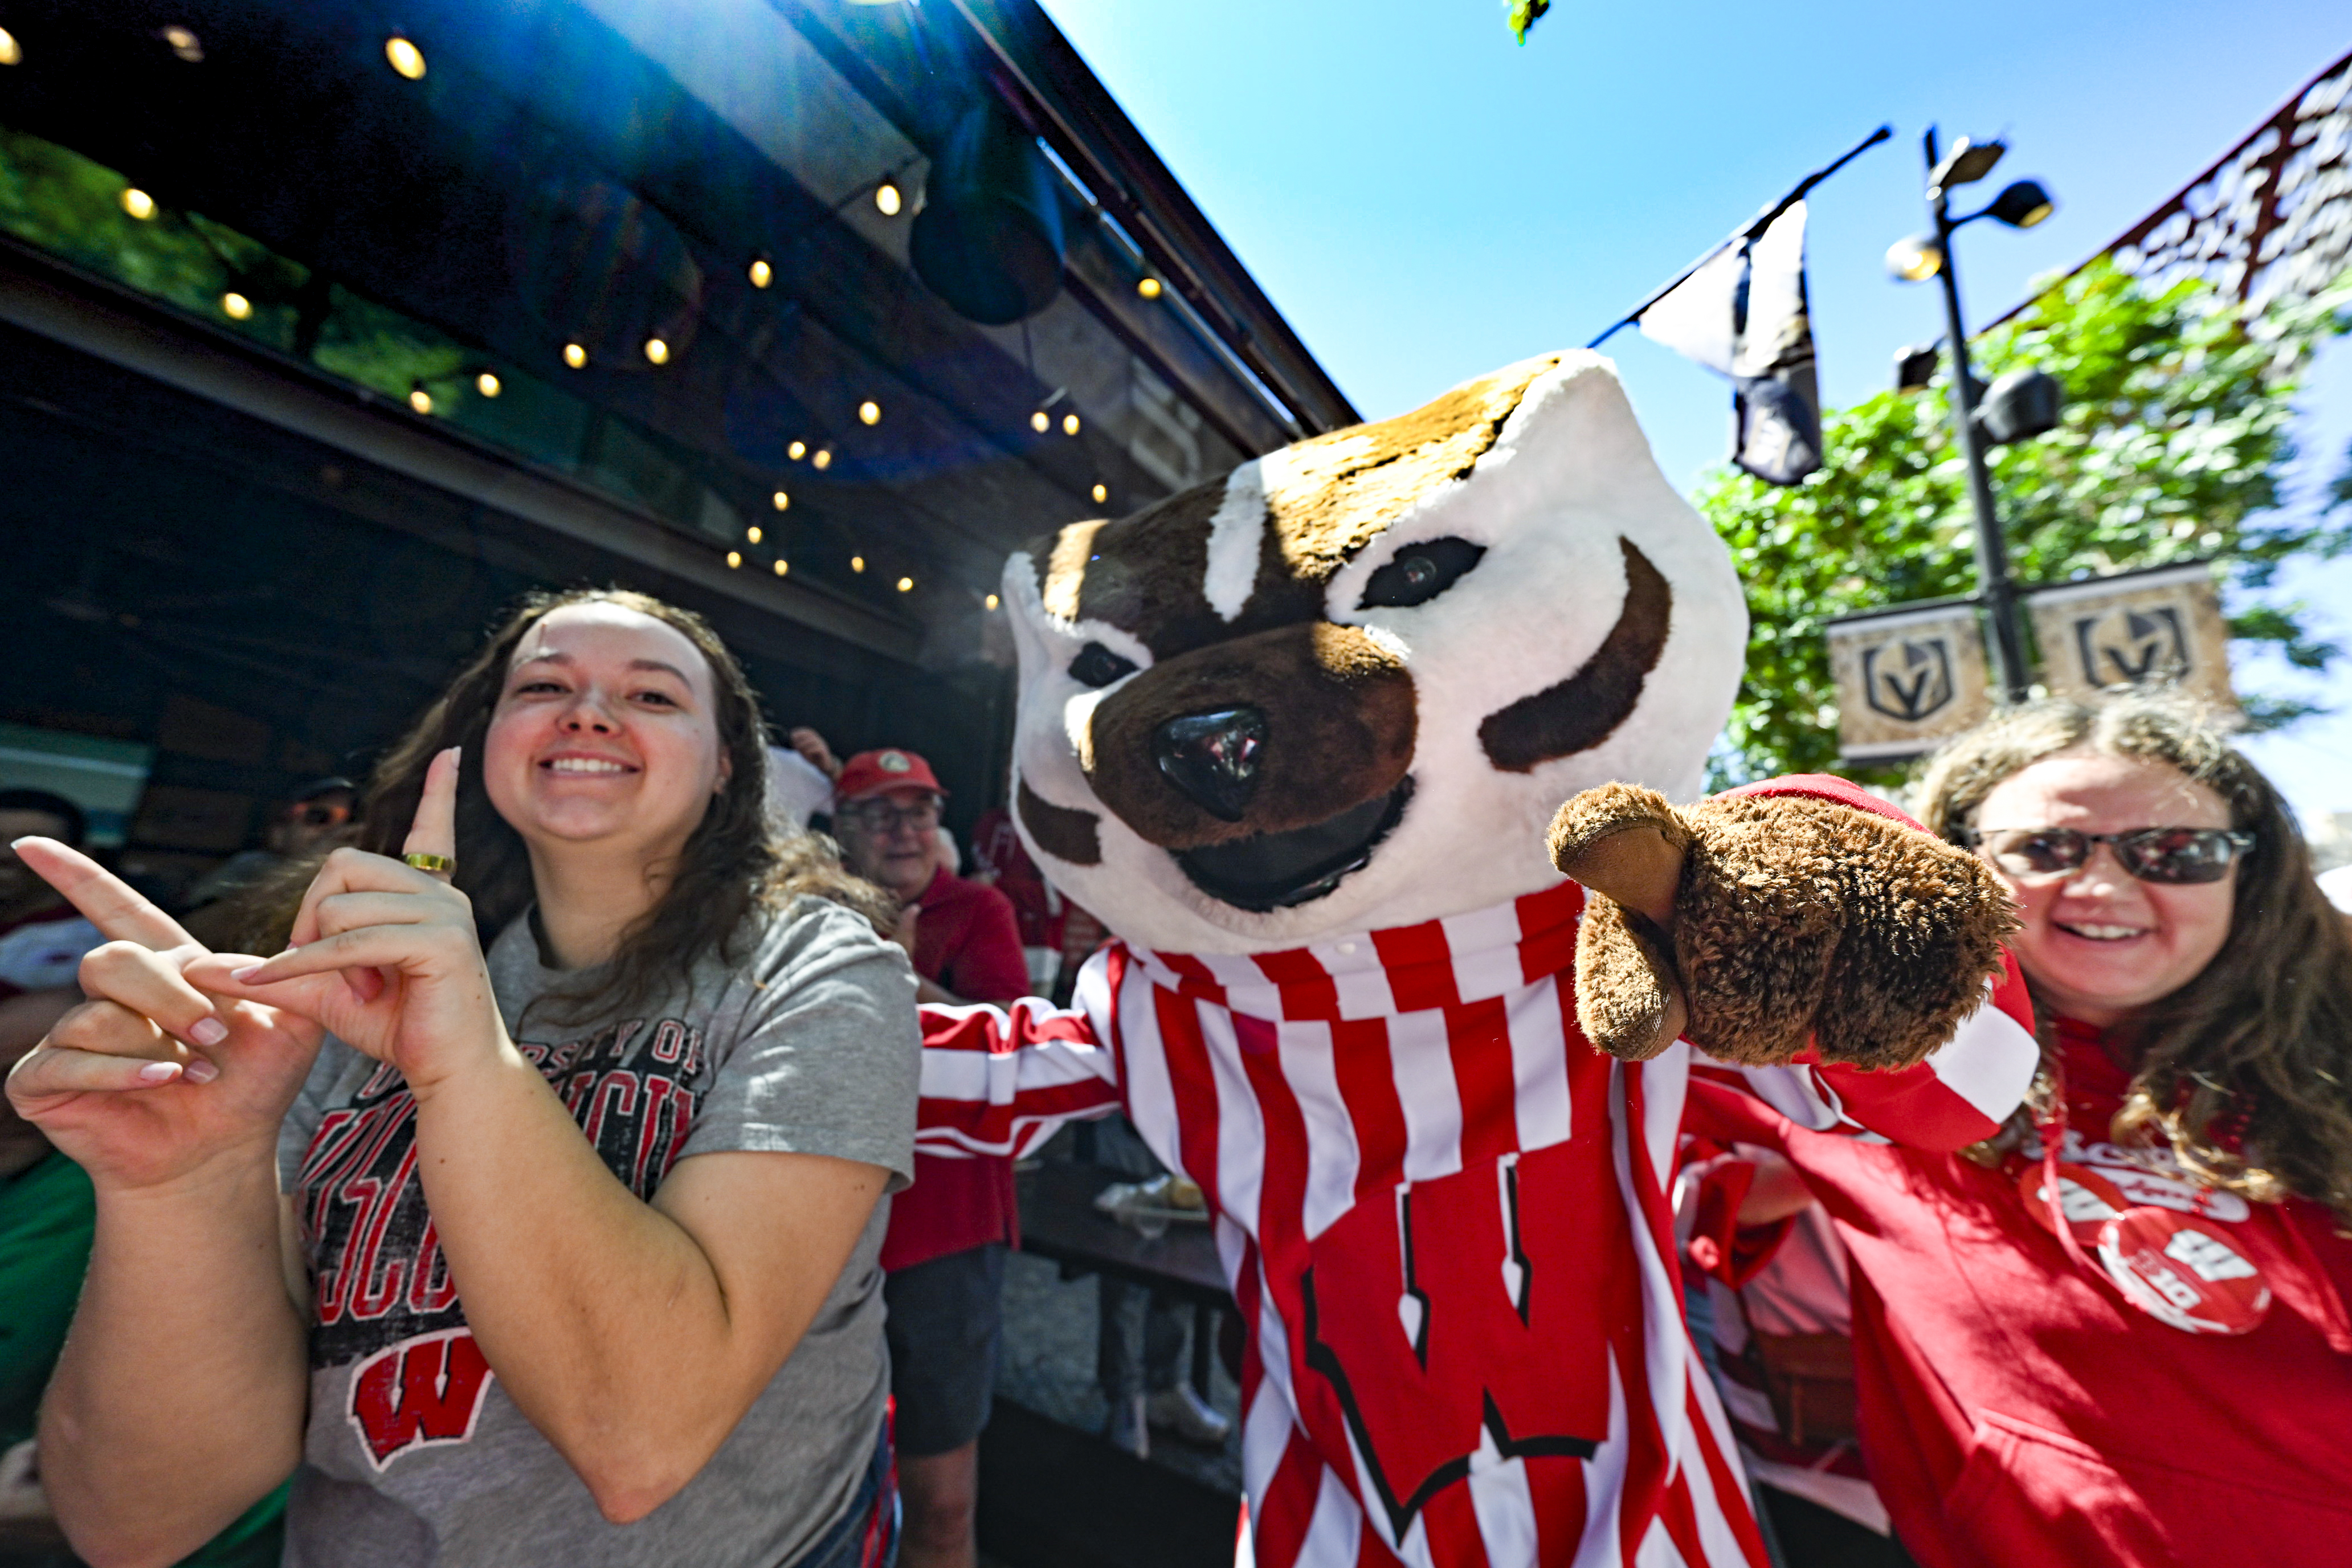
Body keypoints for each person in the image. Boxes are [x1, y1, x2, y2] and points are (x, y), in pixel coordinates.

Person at [5, 589, 918, 1568]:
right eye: (545, 685)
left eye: (652, 697)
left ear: (727, 768)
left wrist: (465, 1059)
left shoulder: (822, 971)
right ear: (488, 744)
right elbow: (134, 1525)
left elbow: (640, 1442)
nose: (589, 712)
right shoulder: (348, 989)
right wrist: (189, 1179)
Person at [1685, 693, 2352, 1566]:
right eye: (2044, 849)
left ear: (2249, 875)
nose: (2106, 886)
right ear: (1958, 867)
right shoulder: (1859, 1074)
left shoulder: (2331, 1065)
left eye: (2176, 852)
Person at [825, 743, 1026, 1568]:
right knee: (823, 1488)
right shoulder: (805, 917)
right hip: (824, 1232)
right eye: (881, 813)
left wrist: (903, 979)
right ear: (841, 828)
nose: (904, 830)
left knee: (942, 1502)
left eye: (920, 810)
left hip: (947, 1231)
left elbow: (1016, 1051)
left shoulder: (980, 910)